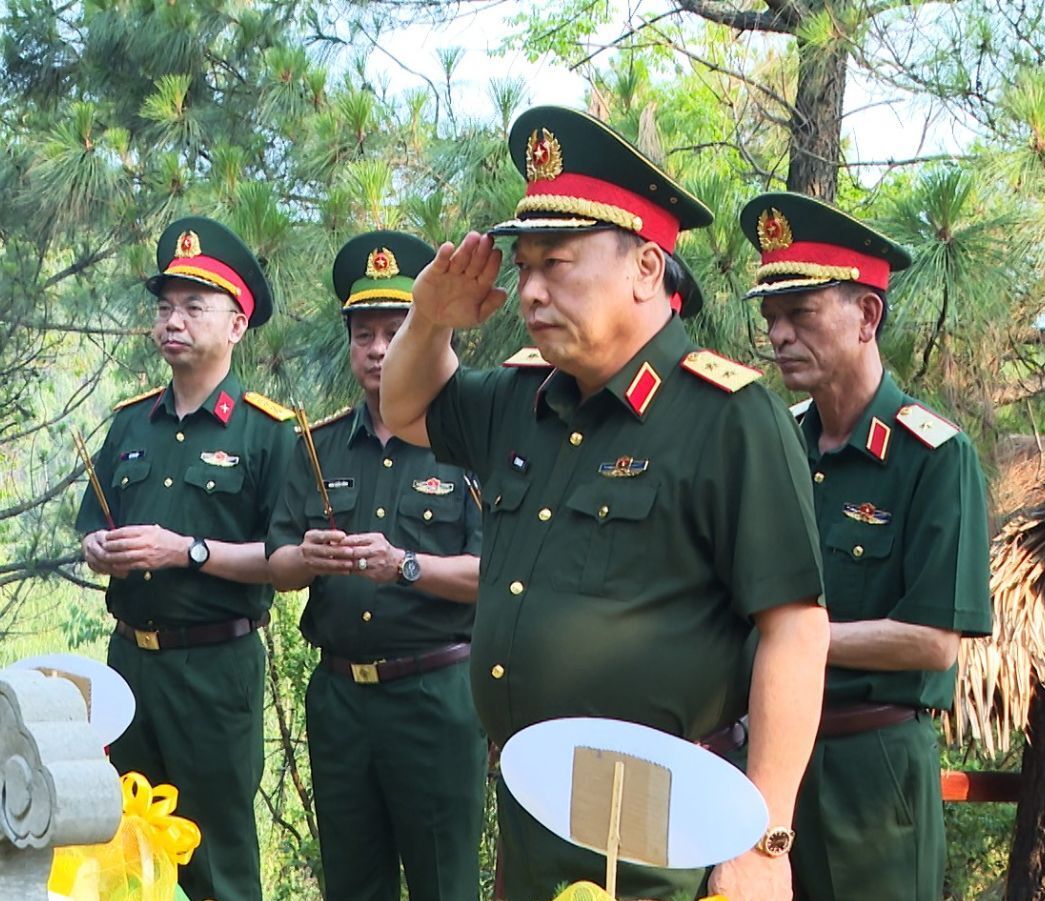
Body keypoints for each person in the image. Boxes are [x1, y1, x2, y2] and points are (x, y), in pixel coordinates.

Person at [379, 105, 831, 901]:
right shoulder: (522, 397)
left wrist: (766, 838)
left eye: (557, 263)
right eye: (523, 266)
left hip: (660, 813)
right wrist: (428, 321)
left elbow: (794, 629)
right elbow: (406, 407)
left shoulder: (728, 416)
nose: (531, 290)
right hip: (531, 803)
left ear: (646, 268)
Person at [739, 191, 992, 901]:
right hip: (762, 761)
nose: (780, 335)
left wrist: (794, 644)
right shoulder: (776, 445)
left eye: (801, 314)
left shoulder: (934, 456)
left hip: (871, 769)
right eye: (771, 318)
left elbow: (933, 642)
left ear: (867, 316)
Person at [77, 215, 295, 901]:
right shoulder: (129, 423)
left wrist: (188, 551)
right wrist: (99, 549)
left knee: (214, 859)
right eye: (165, 307)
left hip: (214, 669)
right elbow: (91, 529)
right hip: (129, 663)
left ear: (237, 325)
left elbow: (288, 560)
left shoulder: (268, 433)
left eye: (194, 307)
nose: (172, 321)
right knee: (125, 852)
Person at [265, 229, 487, 901]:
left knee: (443, 884)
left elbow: (496, 574)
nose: (378, 348)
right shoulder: (319, 444)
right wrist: (306, 558)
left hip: (434, 695)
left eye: (396, 331)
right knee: (352, 885)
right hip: (340, 699)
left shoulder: (468, 443)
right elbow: (277, 564)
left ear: (429, 337)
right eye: (363, 334)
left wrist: (405, 566)